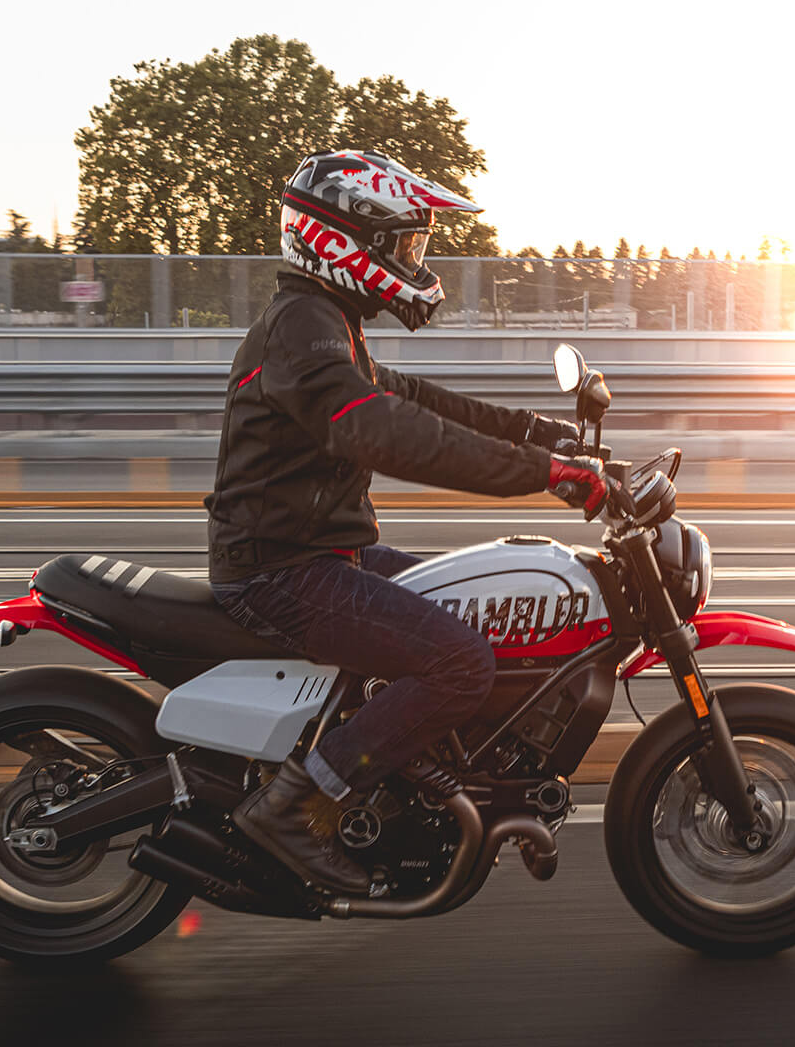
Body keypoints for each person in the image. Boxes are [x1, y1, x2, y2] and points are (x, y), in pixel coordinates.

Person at [206, 149, 611, 893]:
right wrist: (544, 476)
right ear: (340, 240)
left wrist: (538, 434)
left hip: (322, 554)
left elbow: (416, 400)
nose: (413, 259)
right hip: (282, 571)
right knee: (460, 662)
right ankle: (295, 806)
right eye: (402, 244)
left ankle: (418, 773)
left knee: (477, 610)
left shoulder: (326, 323)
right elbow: (387, 430)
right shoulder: (302, 328)